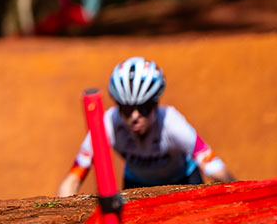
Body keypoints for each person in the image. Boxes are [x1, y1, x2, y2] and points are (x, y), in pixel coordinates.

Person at [56, 56, 235, 196]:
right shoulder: (107, 123)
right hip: (136, 183)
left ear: (156, 103)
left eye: (144, 108)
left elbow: (214, 167)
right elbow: (74, 178)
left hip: (184, 179)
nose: (135, 117)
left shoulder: (172, 123)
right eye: (126, 109)